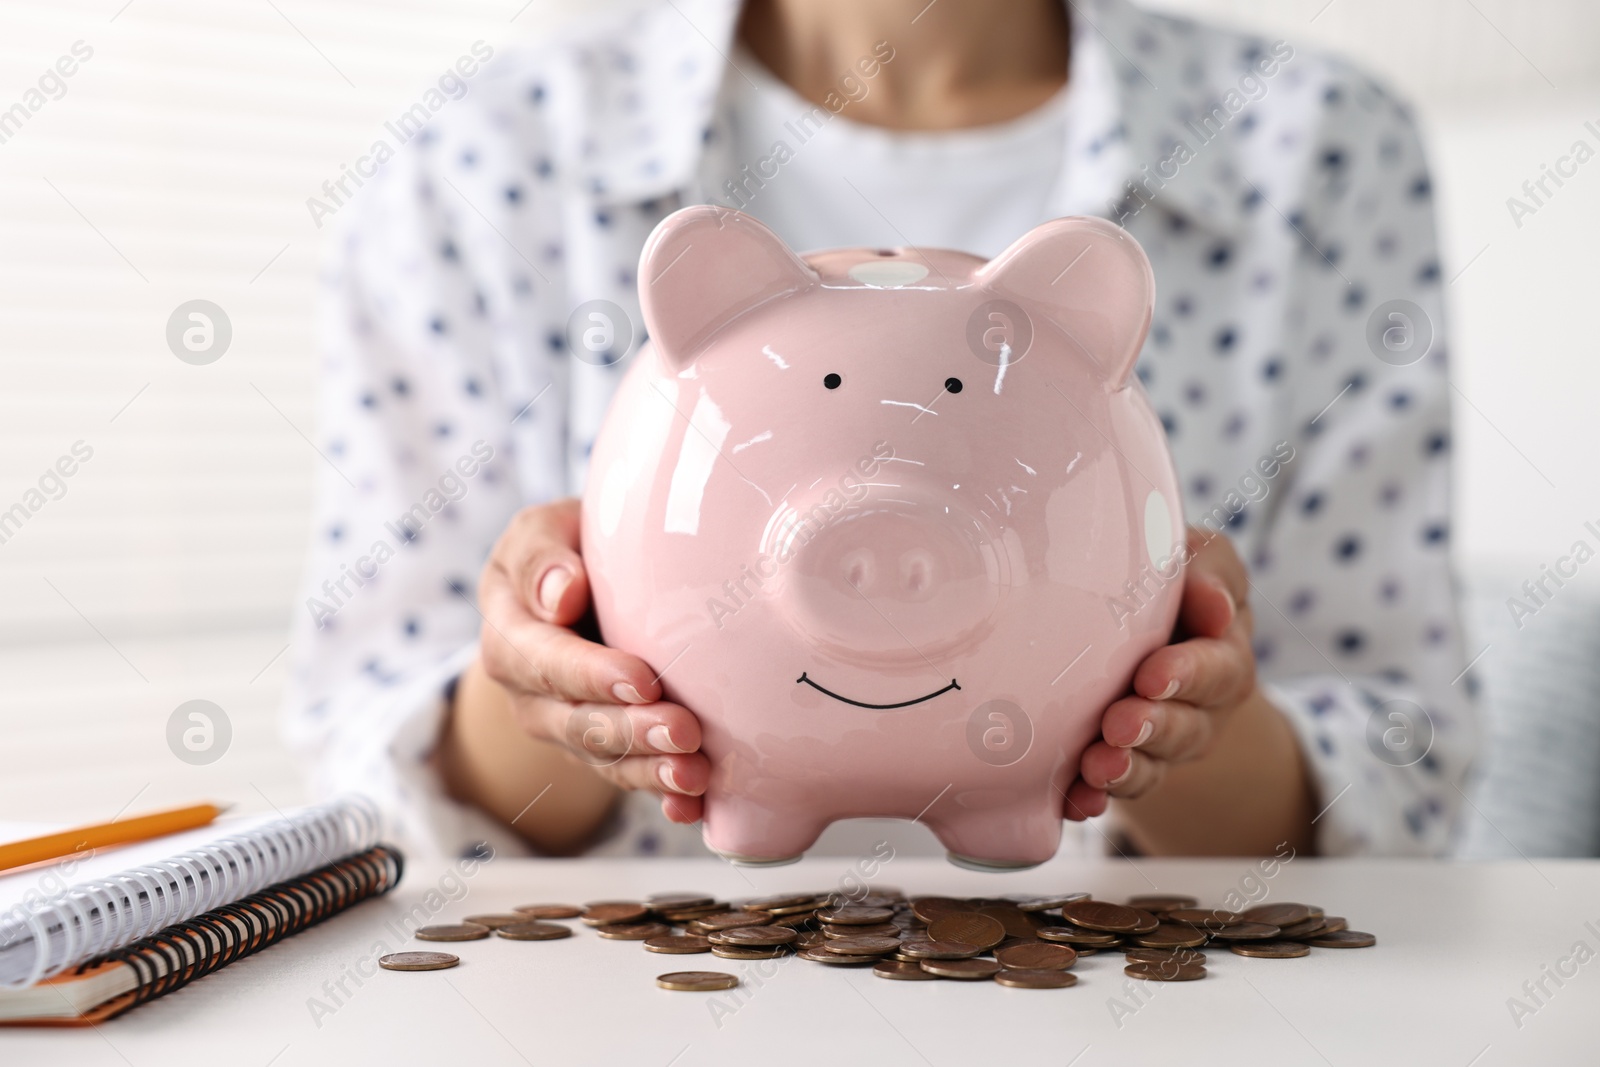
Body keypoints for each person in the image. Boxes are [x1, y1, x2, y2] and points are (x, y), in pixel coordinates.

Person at [284, 0, 1476, 861]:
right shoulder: (473, 163)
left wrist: (1190, 718)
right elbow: (369, 784)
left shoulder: (1316, 146)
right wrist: (545, 691)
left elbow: (1400, 781)